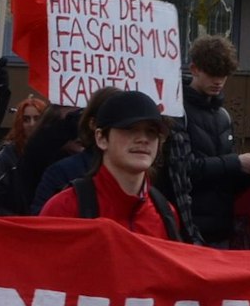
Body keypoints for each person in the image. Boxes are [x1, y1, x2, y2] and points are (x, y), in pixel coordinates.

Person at [38, 90, 184, 239]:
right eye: (130, 129)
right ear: (101, 138)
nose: (143, 139)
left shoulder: (165, 213)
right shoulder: (66, 207)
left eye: (152, 131)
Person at [181, 36, 250, 246]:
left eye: (223, 75)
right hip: (186, 226)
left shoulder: (223, 116)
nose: (218, 81)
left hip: (221, 227)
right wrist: (237, 162)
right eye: (212, 74)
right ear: (194, 69)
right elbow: (183, 169)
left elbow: (227, 180)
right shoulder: (178, 111)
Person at [0, 97, 48, 216]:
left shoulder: (55, 153)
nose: (32, 124)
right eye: (26, 119)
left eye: (37, 118)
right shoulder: (7, 157)